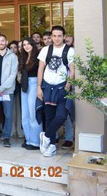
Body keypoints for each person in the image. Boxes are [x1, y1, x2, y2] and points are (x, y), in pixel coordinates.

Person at [37, 25, 74, 157]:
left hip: (62, 87)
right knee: (49, 117)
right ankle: (51, 145)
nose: (57, 38)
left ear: (64, 37)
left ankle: (46, 136)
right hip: (47, 87)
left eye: (59, 36)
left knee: (62, 116)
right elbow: (40, 69)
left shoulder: (69, 51)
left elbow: (72, 70)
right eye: (54, 36)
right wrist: (38, 87)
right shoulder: (45, 50)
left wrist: (68, 86)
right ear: (51, 37)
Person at [19, 37, 42, 150]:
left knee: (33, 114)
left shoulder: (38, 57)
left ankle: (36, 142)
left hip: (34, 84)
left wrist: (39, 87)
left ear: (33, 45)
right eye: (24, 45)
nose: (26, 46)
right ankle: (28, 139)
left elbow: (40, 74)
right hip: (24, 85)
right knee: (25, 115)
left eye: (28, 44)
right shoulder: (23, 58)